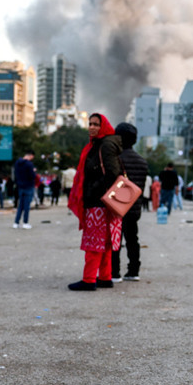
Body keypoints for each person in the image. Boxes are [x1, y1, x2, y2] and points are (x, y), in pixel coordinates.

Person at [67, 113, 123, 291]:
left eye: (96, 124)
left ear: (103, 126)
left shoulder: (105, 145)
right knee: (105, 243)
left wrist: (96, 191)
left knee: (94, 243)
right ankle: (105, 278)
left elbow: (113, 174)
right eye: (90, 124)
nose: (92, 127)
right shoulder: (99, 144)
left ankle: (89, 279)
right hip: (103, 203)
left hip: (99, 203)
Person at [111, 122, 149, 282]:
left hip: (116, 206)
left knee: (115, 240)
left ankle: (114, 272)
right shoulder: (142, 162)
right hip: (134, 208)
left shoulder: (115, 159)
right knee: (133, 239)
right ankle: (134, 271)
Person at [13, 151, 37, 229]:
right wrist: (34, 171)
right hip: (28, 186)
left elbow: (15, 175)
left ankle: (16, 222)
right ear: (31, 156)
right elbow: (32, 176)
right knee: (26, 206)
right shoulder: (29, 164)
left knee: (20, 205)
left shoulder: (17, 163)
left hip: (20, 186)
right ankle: (25, 222)